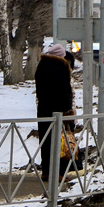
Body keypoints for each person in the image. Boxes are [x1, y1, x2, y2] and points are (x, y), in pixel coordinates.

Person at [34, 43, 75, 182]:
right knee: (59, 142)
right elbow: (63, 91)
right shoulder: (60, 68)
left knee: (45, 141)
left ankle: (46, 171)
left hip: (43, 109)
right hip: (59, 111)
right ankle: (57, 173)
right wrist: (68, 110)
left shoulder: (42, 65)